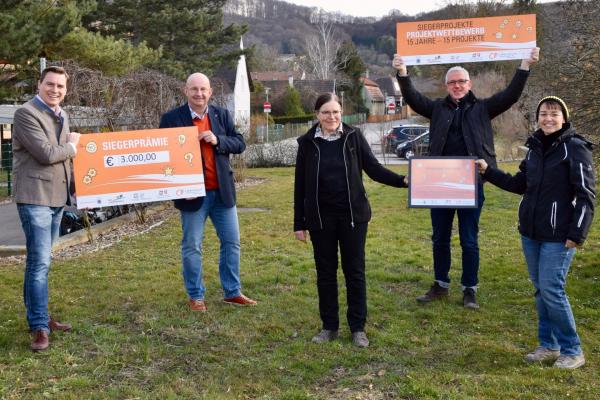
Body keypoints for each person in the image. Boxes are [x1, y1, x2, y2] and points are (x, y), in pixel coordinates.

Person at [392, 48, 540, 309]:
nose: (457, 86)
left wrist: (525, 65)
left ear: (469, 84)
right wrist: (402, 73)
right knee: (440, 238)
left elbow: (511, 95)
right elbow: (414, 98)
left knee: (469, 239)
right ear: (447, 86)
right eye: (452, 82)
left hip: (472, 184)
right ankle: (440, 284)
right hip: (437, 186)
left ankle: (469, 289)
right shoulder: (437, 108)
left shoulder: (483, 108)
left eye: (462, 81)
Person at [475, 96, 595, 369]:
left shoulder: (575, 148)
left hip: (559, 235)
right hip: (531, 232)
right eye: (543, 113)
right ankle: (548, 345)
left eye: (554, 114)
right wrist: (488, 171)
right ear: (537, 117)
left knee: (552, 290)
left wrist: (577, 234)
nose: (548, 118)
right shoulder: (534, 148)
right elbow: (520, 185)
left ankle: (572, 350)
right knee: (541, 291)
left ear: (564, 118)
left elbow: (586, 196)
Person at [293, 93, 408, 348]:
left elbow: (374, 169)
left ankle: (358, 328)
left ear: (341, 113)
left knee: (355, 272)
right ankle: (329, 326)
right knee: (325, 273)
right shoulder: (307, 143)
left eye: (335, 112)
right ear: (317, 115)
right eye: (325, 112)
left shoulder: (354, 138)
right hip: (320, 218)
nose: (331, 117)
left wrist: (402, 180)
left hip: (353, 217)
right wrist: (298, 222)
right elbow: (299, 184)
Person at [159, 72, 256, 312]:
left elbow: (240, 143)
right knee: (192, 246)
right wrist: (179, 190)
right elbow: (163, 159)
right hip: (192, 196)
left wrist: (218, 140)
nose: (199, 94)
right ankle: (195, 296)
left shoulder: (221, 115)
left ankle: (232, 292)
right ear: (186, 91)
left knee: (232, 242)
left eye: (203, 89)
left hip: (222, 193)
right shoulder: (172, 118)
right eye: (194, 89)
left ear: (210, 92)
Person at [12, 66, 81, 351]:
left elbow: (63, 161)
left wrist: (77, 187)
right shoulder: (26, 113)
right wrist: (74, 147)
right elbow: (47, 154)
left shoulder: (61, 114)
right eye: (50, 84)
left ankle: (39, 318)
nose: (55, 90)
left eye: (60, 87)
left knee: (41, 263)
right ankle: (40, 326)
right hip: (35, 197)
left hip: (56, 199)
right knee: (39, 263)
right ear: (39, 84)